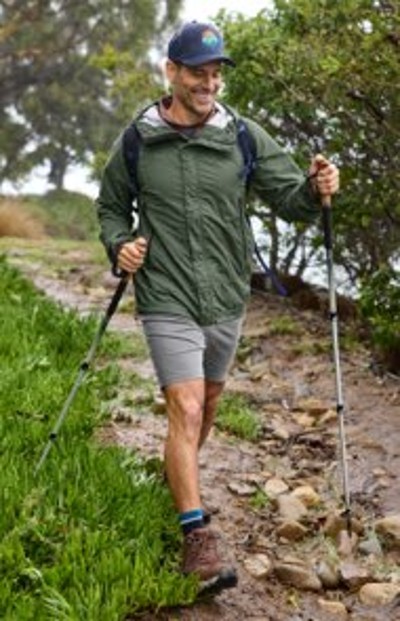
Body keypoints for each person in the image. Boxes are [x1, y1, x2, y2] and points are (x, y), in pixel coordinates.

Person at [96, 20, 340, 592]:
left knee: (204, 411)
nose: (208, 84)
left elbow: (293, 200)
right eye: (197, 73)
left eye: (214, 74)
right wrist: (120, 245)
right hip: (166, 291)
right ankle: (195, 535)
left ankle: (179, 480)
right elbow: (110, 209)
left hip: (227, 292)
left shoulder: (242, 136)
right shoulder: (137, 140)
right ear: (171, 72)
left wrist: (318, 186)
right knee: (182, 407)